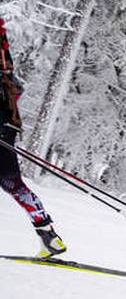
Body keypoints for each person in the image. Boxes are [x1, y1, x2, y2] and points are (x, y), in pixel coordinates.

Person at [0, 17, 67, 257]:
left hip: (3, 131)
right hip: (7, 130)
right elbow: (15, 90)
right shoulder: (6, 69)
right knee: (13, 185)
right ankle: (49, 238)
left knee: (12, 184)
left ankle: (49, 238)